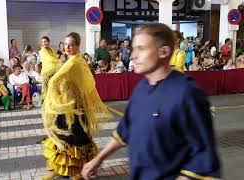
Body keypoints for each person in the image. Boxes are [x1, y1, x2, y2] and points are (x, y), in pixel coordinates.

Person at [82, 23, 222, 180]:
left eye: (141, 49)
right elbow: (125, 130)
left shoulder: (187, 94)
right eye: (133, 48)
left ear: (163, 51)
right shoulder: (142, 87)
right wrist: (98, 159)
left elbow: (203, 159)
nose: (133, 55)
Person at [42, 32, 111, 180]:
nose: (67, 47)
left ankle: (80, 170)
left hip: (75, 108)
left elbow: (55, 80)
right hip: (67, 106)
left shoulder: (74, 61)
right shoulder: (72, 60)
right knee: (63, 135)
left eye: (71, 44)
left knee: (76, 137)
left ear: (77, 46)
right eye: (66, 44)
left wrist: (50, 101)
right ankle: (62, 168)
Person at [39, 36, 63, 100]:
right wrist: (60, 62)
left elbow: (55, 57)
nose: (44, 43)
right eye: (42, 42)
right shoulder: (42, 51)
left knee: (53, 88)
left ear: (48, 42)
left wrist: (60, 61)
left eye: (45, 41)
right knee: (46, 90)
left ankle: (53, 103)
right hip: (47, 73)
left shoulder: (51, 49)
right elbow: (50, 59)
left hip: (53, 71)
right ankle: (47, 105)